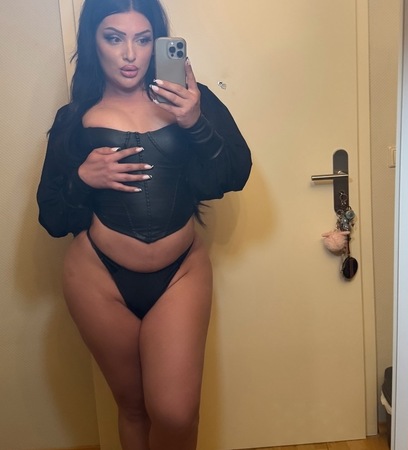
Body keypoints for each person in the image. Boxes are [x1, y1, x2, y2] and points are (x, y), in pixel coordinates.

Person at [36, 0, 251, 448]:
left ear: (157, 43)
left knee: (175, 412)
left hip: (181, 273)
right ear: (93, 43)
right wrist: (82, 178)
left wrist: (195, 122)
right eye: (114, 38)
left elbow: (232, 176)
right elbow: (52, 217)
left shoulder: (191, 100)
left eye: (143, 38)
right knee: (132, 407)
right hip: (97, 278)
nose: (130, 54)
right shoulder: (73, 120)